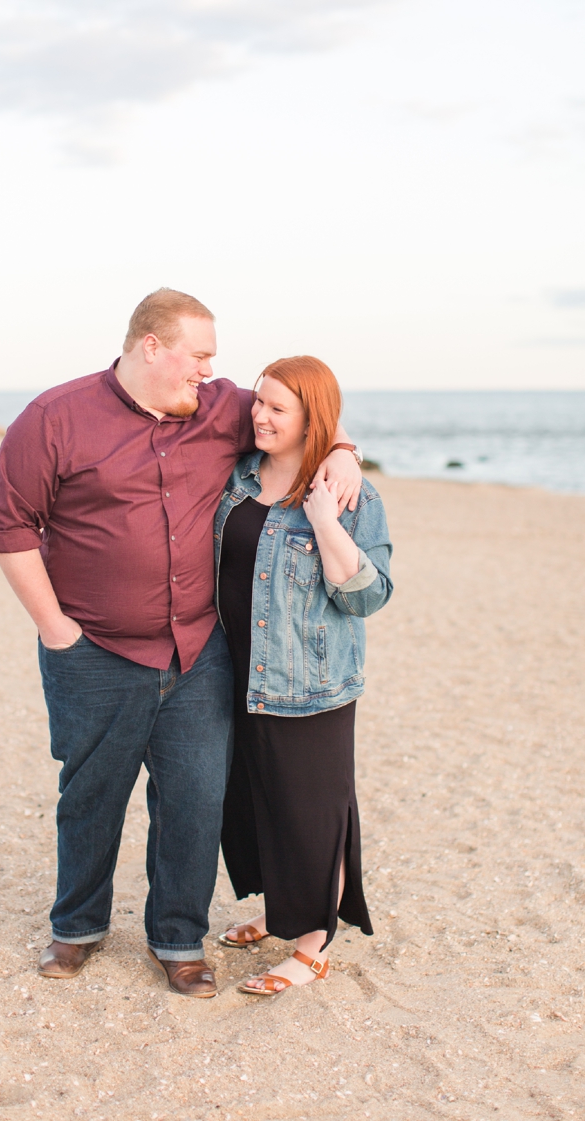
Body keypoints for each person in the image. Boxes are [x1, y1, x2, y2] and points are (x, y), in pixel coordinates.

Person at [0, 289, 365, 997]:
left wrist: (341, 449)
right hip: (91, 651)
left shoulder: (220, 408)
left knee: (193, 798)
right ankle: (77, 926)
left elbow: (297, 413)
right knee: (91, 793)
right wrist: (56, 630)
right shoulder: (53, 417)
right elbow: (7, 525)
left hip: (198, 653)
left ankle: (179, 938)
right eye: (200, 355)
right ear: (151, 346)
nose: (211, 372)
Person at [212, 356, 392, 994]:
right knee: (255, 799)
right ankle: (278, 911)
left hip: (309, 681)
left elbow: (368, 596)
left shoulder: (351, 496)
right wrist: (345, 445)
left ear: (310, 418)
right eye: (258, 402)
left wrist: (321, 519)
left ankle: (313, 942)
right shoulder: (236, 476)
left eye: (277, 408)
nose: (259, 415)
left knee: (311, 810)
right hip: (230, 670)